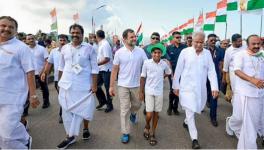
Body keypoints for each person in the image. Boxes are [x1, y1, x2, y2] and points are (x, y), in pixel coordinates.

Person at [173, 32, 218, 149]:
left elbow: (212, 71)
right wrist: (175, 86)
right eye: (196, 42)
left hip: (200, 89)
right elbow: (178, 70)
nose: (198, 44)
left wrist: (214, 87)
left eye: (201, 42)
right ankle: (195, 139)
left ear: (204, 42)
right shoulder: (185, 52)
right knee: (190, 111)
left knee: (196, 108)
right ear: (192, 41)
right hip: (186, 88)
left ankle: (186, 121)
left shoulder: (207, 54)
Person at [0, 16, 40, 149]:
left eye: (11, 27)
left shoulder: (21, 48)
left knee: (7, 133)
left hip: (13, 97)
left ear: (16, 31)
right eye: (3, 25)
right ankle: (23, 138)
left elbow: (30, 72)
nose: (6, 29)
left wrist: (33, 95)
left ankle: (24, 141)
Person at [56, 24, 99, 149]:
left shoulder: (89, 48)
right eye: (73, 32)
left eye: (77, 32)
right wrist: (59, 82)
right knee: (66, 110)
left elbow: (95, 69)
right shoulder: (64, 48)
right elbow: (61, 67)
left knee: (83, 109)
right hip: (66, 84)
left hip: (83, 85)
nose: (75, 35)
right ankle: (70, 136)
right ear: (70, 34)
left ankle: (85, 129)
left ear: (82, 34)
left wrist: (94, 85)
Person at [225, 35, 264, 149]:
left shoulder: (262, 55)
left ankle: (233, 125)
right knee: (246, 121)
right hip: (245, 93)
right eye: (254, 44)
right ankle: (248, 146)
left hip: (260, 93)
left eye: (259, 44)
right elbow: (237, 70)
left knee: (253, 121)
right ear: (247, 44)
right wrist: (252, 80)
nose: (257, 46)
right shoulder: (240, 55)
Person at [109, 29, 147, 143]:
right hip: (123, 85)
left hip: (137, 85)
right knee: (124, 110)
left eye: (135, 36)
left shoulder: (140, 51)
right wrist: (111, 86)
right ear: (124, 39)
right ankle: (125, 132)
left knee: (138, 104)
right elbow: (114, 69)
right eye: (131, 37)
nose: (134, 38)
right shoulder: (119, 52)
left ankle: (134, 113)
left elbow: (147, 65)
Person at [140, 43, 171, 146]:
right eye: (155, 52)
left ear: (161, 54)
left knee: (156, 114)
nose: (157, 54)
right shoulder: (146, 63)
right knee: (149, 114)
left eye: (159, 53)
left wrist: (162, 77)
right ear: (151, 53)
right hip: (148, 91)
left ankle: (153, 133)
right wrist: (141, 92)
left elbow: (168, 72)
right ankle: (147, 125)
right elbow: (143, 77)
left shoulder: (164, 64)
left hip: (159, 92)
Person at [41, 34, 69, 123]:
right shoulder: (54, 51)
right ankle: (62, 115)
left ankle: (68, 113)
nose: (62, 42)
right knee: (62, 97)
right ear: (58, 41)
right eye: (60, 40)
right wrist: (44, 73)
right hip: (58, 79)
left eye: (64, 40)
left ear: (67, 41)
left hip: (70, 79)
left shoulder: (71, 51)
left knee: (68, 97)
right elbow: (49, 63)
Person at [205, 34, 225, 127]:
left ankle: (213, 117)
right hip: (204, 77)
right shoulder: (204, 51)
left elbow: (221, 63)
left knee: (214, 97)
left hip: (215, 77)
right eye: (211, 40)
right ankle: (204, 103)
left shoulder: (220, 50)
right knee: (205, 93)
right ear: (207, 41)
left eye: (214, 40)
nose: (213, 41)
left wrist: (222, 75)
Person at [26, 34, 50, 108]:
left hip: (41, 72)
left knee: (44, 88)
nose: (31, 40)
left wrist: (43, 71)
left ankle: (46, 102)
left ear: (35, 39)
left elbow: (47, 61)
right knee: (27, 91)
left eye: (32, 38)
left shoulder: (42, 48)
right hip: (29, 74)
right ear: (27, 40)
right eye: (29, 39)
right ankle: (25, 109)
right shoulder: (24, 49)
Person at [167, 31, 187, 115]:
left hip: (183, 72)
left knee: (180, 89)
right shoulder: (169, 48)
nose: (179, 38)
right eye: (177, 37)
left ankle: (175, 107)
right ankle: (170, 107)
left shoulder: (185, 47)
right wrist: (171, 73)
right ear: (173, 38)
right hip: (172, 72)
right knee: (173, 89)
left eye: (180, 37)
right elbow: (168, 61)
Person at [95, 30, 114, 113]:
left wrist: (96, 64)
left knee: (107, 88)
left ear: (97, 36)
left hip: (107, 70)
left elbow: (107, 59)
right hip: (101, 69)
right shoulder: (101, 44)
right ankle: (103, 101)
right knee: (95, 86)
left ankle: (110, 105)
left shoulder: (105, 44)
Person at [222, 34, 244, 102]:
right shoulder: (229, 51)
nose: (241, 43)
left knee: (243, 91)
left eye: (241, 41)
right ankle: (235, 109)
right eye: (239, 41)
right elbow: (225, 65)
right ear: (233, 42)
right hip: (234, 73)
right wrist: (224, 77)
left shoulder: (244, 47)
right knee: (235, 91)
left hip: (244, 72)